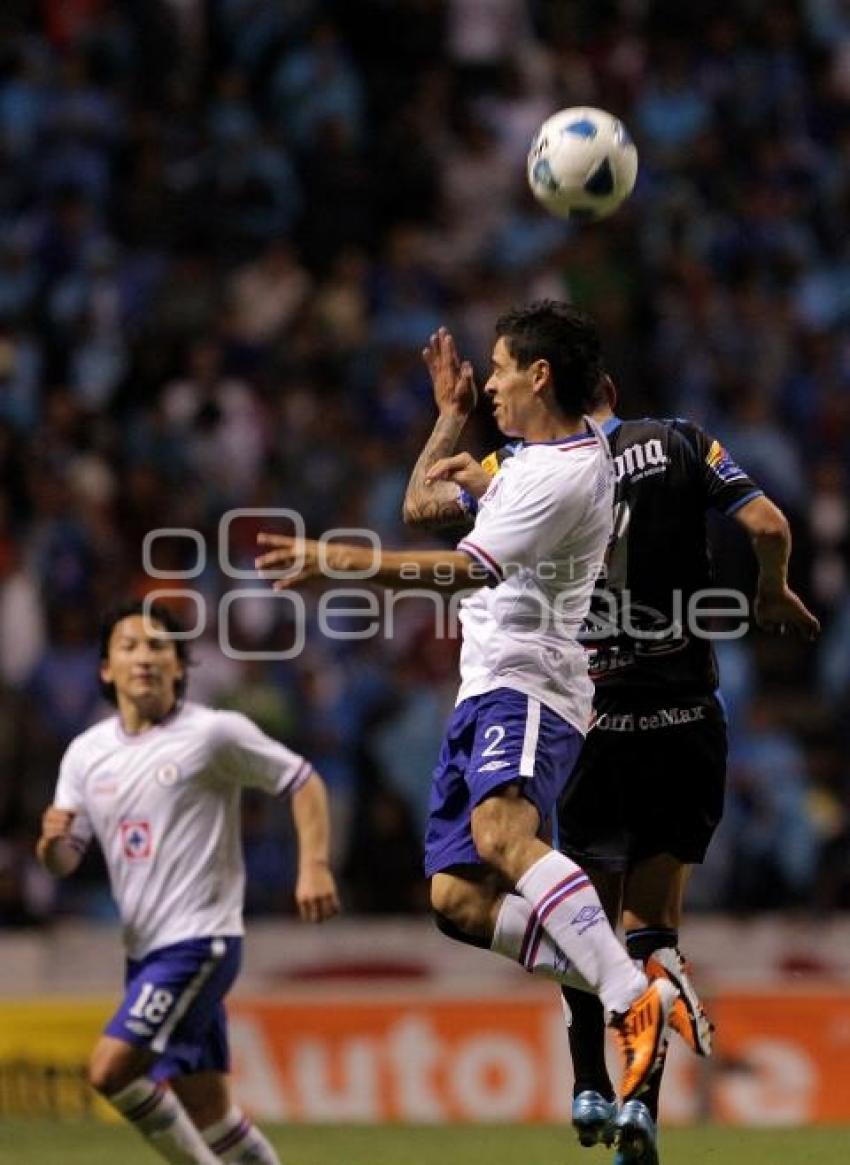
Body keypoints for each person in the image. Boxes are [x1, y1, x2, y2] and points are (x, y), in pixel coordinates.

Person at [402, 332, 820, 1163]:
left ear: (549, 382)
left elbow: (421, 508)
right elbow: (768, 523)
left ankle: (589, 1077)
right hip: (682, 716)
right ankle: (641, 1113)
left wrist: (450, 424)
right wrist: (772, 590)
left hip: (589, 709)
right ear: (613, 387)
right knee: (648, 927)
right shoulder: (678, 441)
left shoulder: (521, 470)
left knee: (573, 906)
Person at [256, 301, 680, 1105]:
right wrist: (448, 422)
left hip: (530, 683)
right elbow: (421, 503)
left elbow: (464, 570)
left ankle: (628, 995)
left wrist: (334, 559)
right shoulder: (526, 461)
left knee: (499, 834)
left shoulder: (558, 477)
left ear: (539, 374)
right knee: (454, 900)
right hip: (484, 687)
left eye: (497, 370)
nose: (488, 383)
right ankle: (619, 973)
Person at [36, 599, 340, 1165]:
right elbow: (66, 861)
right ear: (106, 669)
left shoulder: (213, 735)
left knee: (110, 1071)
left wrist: (313, 864)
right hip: (145, 952)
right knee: (212, 1113)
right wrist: (52, 844)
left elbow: (302, 779)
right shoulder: (85, 753)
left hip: (200, 940)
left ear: (180, 666)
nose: (146, 657)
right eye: (130, 646)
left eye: (160, 647)